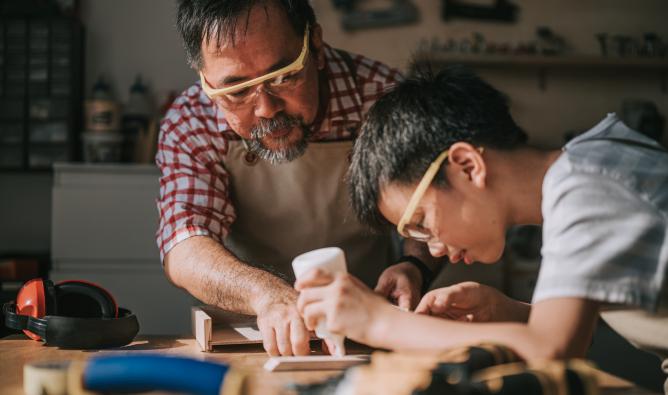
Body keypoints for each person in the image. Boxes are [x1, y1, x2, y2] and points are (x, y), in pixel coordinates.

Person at [295, 66, 668, 390]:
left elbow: (552, 351)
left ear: (468, 166)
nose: (435, 249)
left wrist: (379, 322)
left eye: (422, 223)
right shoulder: (593, 157)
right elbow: (571, 334)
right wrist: (510, 313)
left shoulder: (585, 189)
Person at [156, 0, 437, 357]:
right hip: (252, 330)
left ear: (315, 47)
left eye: (283, 76)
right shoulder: (191, 122)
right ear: (205, 79)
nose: (266, 109)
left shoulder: (381, 98)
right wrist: (265, 294)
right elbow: (184, 244)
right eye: (237, 91)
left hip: (369, 324)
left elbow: (433, 204)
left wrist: (414, 265)